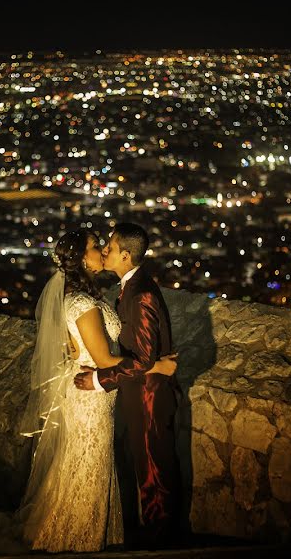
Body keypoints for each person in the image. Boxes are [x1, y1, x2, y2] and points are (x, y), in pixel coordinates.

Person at [13, 228, 178, 553]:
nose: (101, 251)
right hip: (90, 395)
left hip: (92, 391)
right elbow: (102, 358)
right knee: (88, 463)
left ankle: (75, 533)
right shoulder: (83, 303)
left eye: (104, 246)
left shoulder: (82, 298)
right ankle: (77, 538)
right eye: (94, 247)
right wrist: (157, 366)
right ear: (81, 259)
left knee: (82, 462)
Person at [74, 222, 182, 550]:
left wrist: (99, 380)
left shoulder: (141, 293)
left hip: (149, 394)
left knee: (153, 469)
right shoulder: (131, 288)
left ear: (125, 255)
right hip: (141, 392)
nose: (104, 251)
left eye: (109, 246)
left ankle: (160, 542)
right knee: (148, 463)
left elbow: (144, 360)